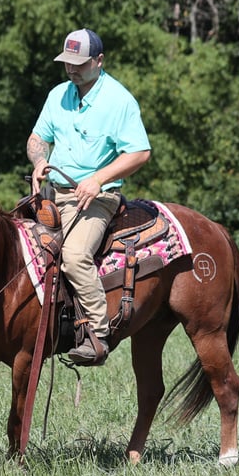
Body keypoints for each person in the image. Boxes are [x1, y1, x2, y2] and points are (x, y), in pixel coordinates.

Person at [27, 28, 151, 364]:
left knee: (75, 255)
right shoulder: (58, 95)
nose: (72, 69)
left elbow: (139, 153)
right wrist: (39, 161)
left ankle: (97, 335)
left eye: (79, 63)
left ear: (99, 60)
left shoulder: (119, 101)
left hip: (97, 198)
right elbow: (37, 138)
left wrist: (98, 179)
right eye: (67, 62)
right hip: (53, 194)